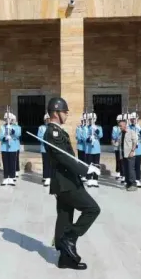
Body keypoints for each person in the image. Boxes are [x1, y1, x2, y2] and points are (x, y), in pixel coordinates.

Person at [44, 97, 101, 270]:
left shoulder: (58, 131)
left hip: (65, 182)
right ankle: (69, 238)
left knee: (64, 217)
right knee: (92, 209)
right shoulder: (52, 133)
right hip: (65, 182)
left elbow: (68, 157)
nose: (67, 114)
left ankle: (65, 258)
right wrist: (86, 171)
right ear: (56, 113)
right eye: (64, 111)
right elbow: (63, 158)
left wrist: (87, 167)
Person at [117, 115, 138, 191]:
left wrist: (132, 151)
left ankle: (133, 185)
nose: (120, 127)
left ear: (125, 125)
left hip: (130, 154)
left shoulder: (131, 132)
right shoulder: (120, 133)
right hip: (123, 154)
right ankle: (128, 184)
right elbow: (119, 143)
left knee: (131, 170)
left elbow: (135, 142)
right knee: (126, 170)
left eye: (121, 126)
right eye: (119, 126)